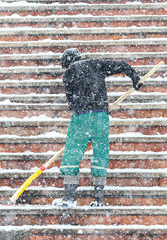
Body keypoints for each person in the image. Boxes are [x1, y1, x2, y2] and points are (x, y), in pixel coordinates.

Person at [52, 48, 142, 208]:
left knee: (72, 155)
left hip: (81, 117)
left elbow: (71, 102)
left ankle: (70, 198)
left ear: (66, 63)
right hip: (101, 116)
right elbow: (122, 65)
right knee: (101, 153)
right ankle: (98, 199)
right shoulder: (96, 64)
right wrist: (134, 77)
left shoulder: (68, 73)